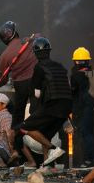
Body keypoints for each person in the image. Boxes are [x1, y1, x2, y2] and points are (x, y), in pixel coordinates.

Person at [15, 37, 72, 167]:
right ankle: (46, 166)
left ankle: (53, 149)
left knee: (24, 127)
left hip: (52, 104)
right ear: (49, 51)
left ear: (35, 53)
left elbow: (37, 93)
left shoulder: (39, 68)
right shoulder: (60, 67)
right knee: (45, 134)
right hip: (67, 105)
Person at [0, 21, 37, 161]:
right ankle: (44, 151)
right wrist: (32, 38)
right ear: (16, 32)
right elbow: (42, 40)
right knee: (37, 113)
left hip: (20, 86)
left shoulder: (4, 56)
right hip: (36, 82)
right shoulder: (29, 42)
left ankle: (18, 151)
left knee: (17, 120)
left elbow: (3, 79)